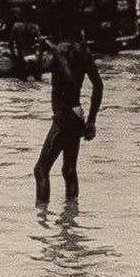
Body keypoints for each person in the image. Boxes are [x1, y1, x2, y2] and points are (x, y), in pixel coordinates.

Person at [34, 12, 102, 207]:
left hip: (63, 114)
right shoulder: (84, 52)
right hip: (77, 113)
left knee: (41, 170)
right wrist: (91, 120)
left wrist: (51, 52)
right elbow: (98, 85)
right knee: (69, 170)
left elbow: (63, 78)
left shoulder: (60, 52)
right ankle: (72, 216)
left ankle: (42, 218)